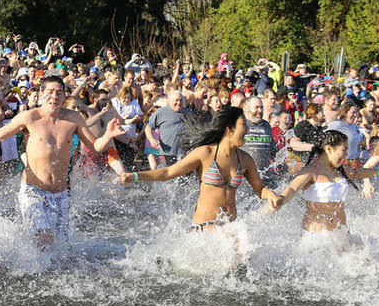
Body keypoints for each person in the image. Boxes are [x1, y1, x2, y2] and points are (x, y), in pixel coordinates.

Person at [0, 76, 125, 248]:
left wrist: (108, 135)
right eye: (50, 92)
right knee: (44, 239)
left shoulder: (73, 119)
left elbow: (95, 147)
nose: (54, 97)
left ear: (64, 97)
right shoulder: (29, 117)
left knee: (60, 247)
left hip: (61, 194)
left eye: (59, 93)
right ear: (41, 93)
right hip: (33, 192)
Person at [120, 106, 280, 230]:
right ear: (229, 128)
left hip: (229, 227)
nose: (247, 129)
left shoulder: (245, 159)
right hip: (204, 229)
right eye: (243, 125)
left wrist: (270, 194)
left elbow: (260, 189)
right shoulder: (205, 153)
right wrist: (135, 176)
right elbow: (168, 172)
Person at [272, 129, 379, 247]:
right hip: (316, 238)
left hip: (341, 234)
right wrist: (280, 200)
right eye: (344, 150)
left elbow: (356, 173)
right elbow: (292, 189)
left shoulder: (339, 170)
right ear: (329, 149)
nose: (346, 155)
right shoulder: (311, 171)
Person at [145, 89, 186, 167]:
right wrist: (151, 140)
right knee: (169, 176)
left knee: (184, 176)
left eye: (181, 100)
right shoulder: (161, 112)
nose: (179, 103)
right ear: (169, 100)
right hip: (168, 152)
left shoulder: (187, 112)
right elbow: (148, 128)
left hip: (184, 152)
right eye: (176, 100)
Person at [240, 96, 277, 177]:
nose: (260, 111)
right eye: (256, 107)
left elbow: (273, 150)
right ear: (246, 109)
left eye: (261, 107)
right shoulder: (240, 124)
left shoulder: (266, 125)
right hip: (244, 176)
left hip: (265, 175)